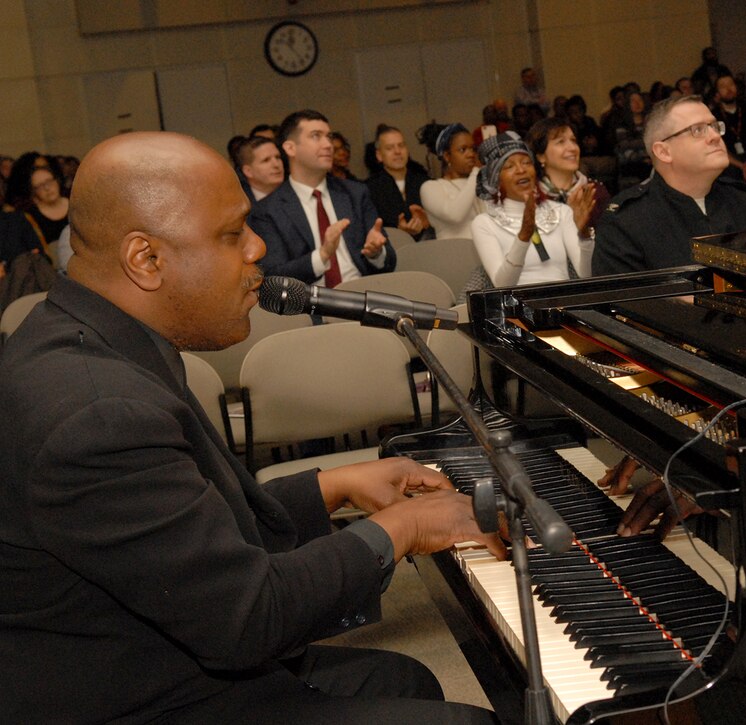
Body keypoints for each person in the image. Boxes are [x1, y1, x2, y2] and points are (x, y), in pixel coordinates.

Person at [0, 130, 504, 724]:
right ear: (146, 258)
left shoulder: (91, 340)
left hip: (154, 651)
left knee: (409, 678)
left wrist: (333, 484)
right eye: (231, 233)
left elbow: (185, 530)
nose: (258, 248)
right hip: (140, 697)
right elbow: (247, 619)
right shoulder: (98, 411)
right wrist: (405, 527)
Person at [592, 95, 746, 276]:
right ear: (664, 152)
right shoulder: (626, 223)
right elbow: (628, 301)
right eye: (698, 130)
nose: (715, 136)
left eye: (714, 126)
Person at [249, 109, 395, 286]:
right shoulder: (267, 210)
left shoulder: (355, 194)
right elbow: (274, 277)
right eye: (316, 136)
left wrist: (376, 253)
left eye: (329, 137)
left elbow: (389, 262)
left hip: (363, 298)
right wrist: (323, 255)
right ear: (290, 148)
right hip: (311, 307)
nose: (328, 145)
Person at [470, 131, 593, 287]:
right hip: (517, 308)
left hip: (563, 303)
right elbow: (502, 286)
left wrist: (584, 236)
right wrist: (523, 237)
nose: (521, 170)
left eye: (526, 162)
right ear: (496, 178)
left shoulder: (561, 211)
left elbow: (585, 275)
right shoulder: (484, 223)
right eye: (509, 166)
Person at [526, 117, 610, 234]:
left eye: (573, 140)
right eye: (561, 142)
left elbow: (609, 242)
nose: (572, 148)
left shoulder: (595, 192)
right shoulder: (530, 196)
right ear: (541, 156)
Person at [365, 125, 433, 241]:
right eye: (390, 148)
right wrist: (397, 232)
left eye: (401, 146)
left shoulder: (426, 183)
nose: (397, 151)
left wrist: (429, 222)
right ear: (379, 155)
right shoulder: (368, 189)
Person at [419, 123, 485, 239]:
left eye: (473, 149)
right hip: (452, 254)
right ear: (447, 156)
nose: (471, 154)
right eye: (463, 149)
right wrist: (476, 173)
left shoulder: (477, 182)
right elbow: (455, 215)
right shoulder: (430, 187)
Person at [239, 136, 285, 202]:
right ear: (248, 171)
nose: (276, 165)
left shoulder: (296, 193)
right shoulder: (240, 203)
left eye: (277, 157)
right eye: (266, 160)